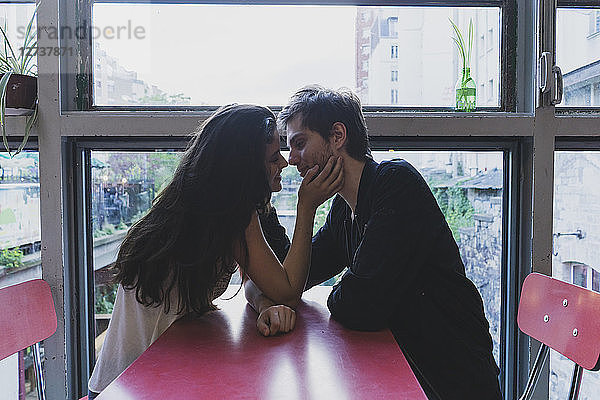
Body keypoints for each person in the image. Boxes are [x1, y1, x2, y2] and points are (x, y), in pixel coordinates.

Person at [244, 86, 502, 399]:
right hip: (400, 371)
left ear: (337, 136)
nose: (292, 159)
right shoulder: (344, 209)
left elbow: (358, 307)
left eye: (300, 143)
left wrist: (343, 289)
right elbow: (292, 277)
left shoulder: (395, 184)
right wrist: (275, 208)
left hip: (450, 379)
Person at [87, 104, 343, 398]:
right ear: (245, 169)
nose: (284, 163)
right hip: (126, 386)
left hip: (164, 372)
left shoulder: (212, 207)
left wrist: (264, 306)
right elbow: (287, 291)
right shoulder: (227, 214)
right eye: (274, 157)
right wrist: (307, 208)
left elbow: (252, 280)